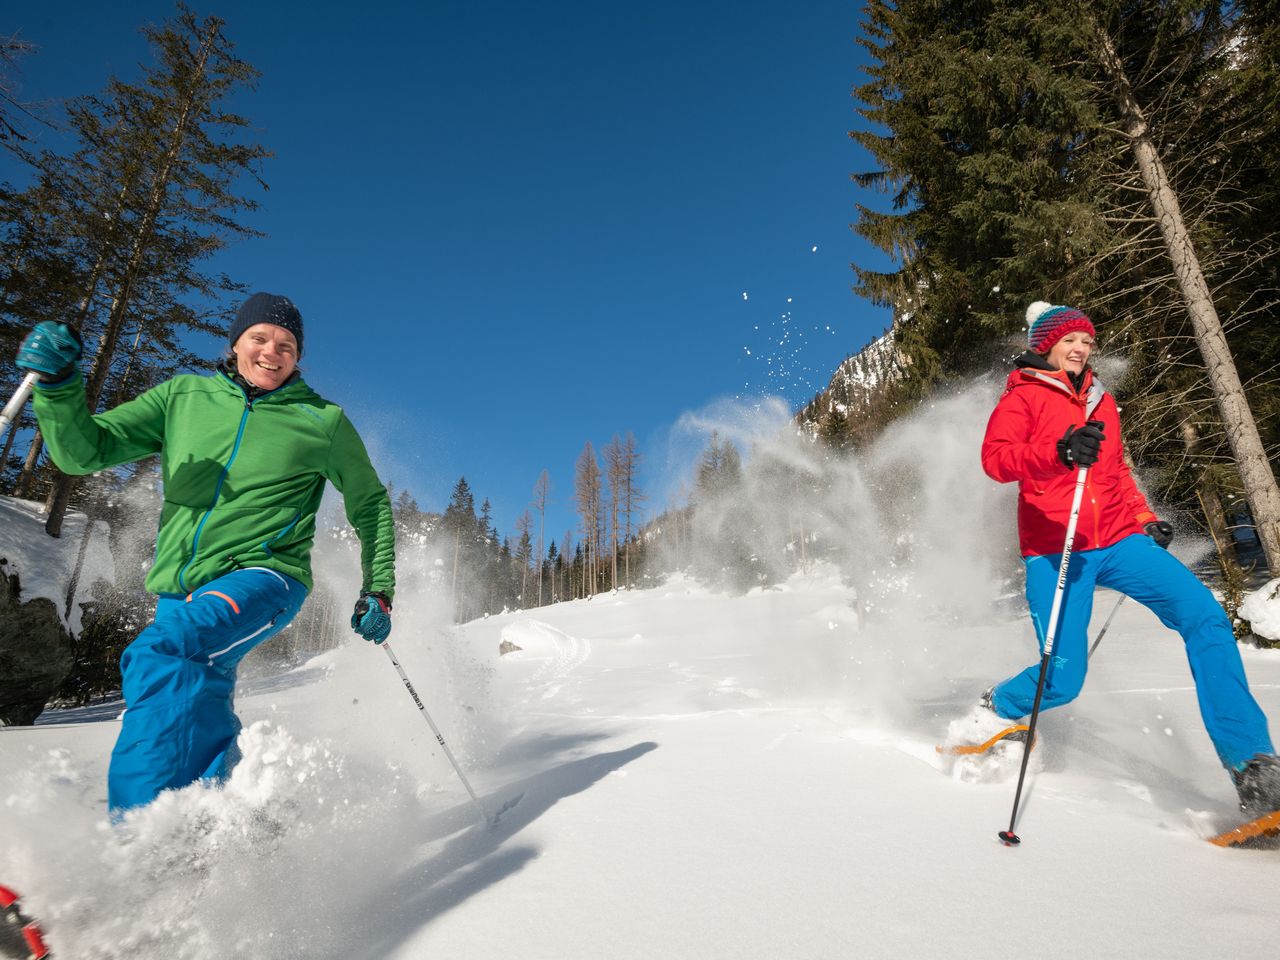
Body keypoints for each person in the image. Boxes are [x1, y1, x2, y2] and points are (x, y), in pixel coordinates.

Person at [15, 292, 396, 816]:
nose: (271, 351)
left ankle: (136, 836)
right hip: (181, 587)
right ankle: (219, 822)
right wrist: (58, 388)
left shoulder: (321, 421)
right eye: (259, 338)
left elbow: (370, 502)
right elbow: (86, 452)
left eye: (286, 344)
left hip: (266, 576)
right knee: (181, 698)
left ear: (298, 357)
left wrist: (379, 586)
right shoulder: (182, 397)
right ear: (234, 342)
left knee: (161, 655)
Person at [964, 299, 1280, 818]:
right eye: (1071, 340)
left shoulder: (1099, 401)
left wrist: (1142, 517)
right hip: (1055, 547)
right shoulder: (1021, 397)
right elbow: (996, 460)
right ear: (1045, 344)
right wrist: (1059, 452)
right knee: (1063, 678)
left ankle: (1254, 768)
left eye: (1087, 341)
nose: (1082, 348)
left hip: (1118, 539)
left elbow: (1113, 473)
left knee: (1205, 619)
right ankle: (996, 708)